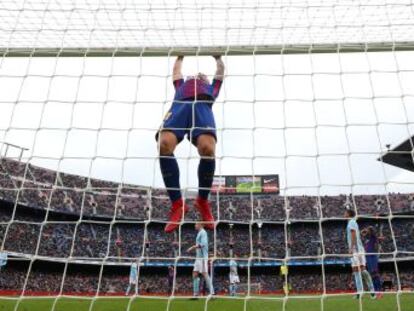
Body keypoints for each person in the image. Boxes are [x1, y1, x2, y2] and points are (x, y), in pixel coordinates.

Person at [156, 55, 225, 233]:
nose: (198, 75)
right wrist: (180, 56)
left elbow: (220, 73)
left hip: (202, 108)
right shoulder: (181, 86)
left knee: (208, 148)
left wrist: (217, 58)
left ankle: (202, 201)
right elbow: (176, 71)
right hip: (180, 107)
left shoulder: (210, 90)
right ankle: (178, 204)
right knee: (164, 144)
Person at [345, 209, 376, 299]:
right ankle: (368, 292)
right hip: (359, 249)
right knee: (360, 270)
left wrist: (351, 248)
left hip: (356, 250)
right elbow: (355, 234)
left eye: (345, 213)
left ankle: (366, 292)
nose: (344, 214)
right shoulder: (354, 222)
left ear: (349, 214)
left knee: (359, 271)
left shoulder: (351, 222)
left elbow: (353, 234)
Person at [187, 222, 215, 298]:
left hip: (202, 257)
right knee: (194, 274)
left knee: (205, 274)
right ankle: (195, 294)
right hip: (198, 258)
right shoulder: (200, 233)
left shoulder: (203, 233)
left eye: (196, 224)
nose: (195, 225)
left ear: (200, 225)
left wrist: (192, 247)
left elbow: (203, 244)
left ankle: (212, 293)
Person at [362, 226, 383, 298]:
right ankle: (376, 292)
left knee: (375, 274)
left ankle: (379, 292)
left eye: (368, 231)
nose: (366, 232)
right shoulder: (366, 240)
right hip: (367, 257)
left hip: (373, 256)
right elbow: (361, 233)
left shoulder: (373, 237)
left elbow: (372, 230)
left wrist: (368, 229)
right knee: (372, 275)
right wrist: (364, 231)